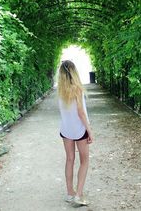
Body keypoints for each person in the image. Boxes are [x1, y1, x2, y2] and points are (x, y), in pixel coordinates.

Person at [57, 60, 94, 206]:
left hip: (66, 129)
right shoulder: (77, 89)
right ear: (74, 72)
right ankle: (78, 195)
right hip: (79, 130)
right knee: (84, 161)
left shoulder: (61, 91)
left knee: (70, 159)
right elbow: (81, 113)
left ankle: (69, 192)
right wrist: (89, 131)